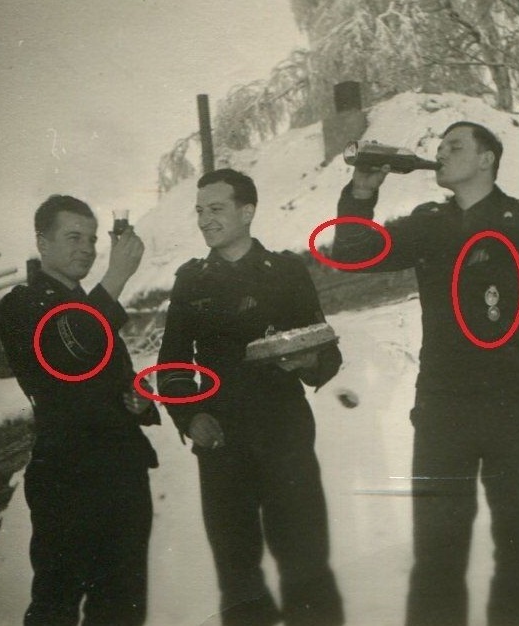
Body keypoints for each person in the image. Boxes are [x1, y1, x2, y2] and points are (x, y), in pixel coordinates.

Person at [330, 122, 519, 626]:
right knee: (436, 556)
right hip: (442, 409)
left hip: (513, 405)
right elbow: (351, 254)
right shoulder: (428, 224)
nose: (441, 153)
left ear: (487, 159)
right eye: (438, 147)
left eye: (455, 146)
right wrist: (361, 193)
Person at [156, 168, 345, 626]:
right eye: (199, 211)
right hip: (222, 443)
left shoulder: (285, 271)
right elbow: (172, 366)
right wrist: (190, 416)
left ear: (247, 212)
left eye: (216, 209)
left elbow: (327, 351)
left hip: (285, 436)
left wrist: (307, 362)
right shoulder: (191, 281)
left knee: (306, 567)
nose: (204, 220)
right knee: (238, 578)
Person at [0, 195, 160, 626]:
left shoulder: (87, 304)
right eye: (73, 237)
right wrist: (117, 277)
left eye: (91, 239)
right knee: (57, 606)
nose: (87, 248)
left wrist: (138, 398)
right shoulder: (22, 304)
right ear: (42, 243)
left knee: (121, 608)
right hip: (68, 478)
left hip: (122, 473)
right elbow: (67, 353)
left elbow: (107, 374)